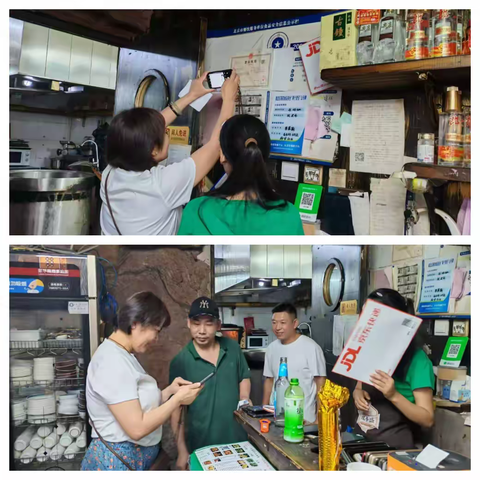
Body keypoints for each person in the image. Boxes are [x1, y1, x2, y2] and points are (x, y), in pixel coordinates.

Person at [100, 70, 239, 235]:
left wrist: (190, 96)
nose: (166, 130)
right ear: (153, 150)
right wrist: (229, 99)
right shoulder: (161, 185)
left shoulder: (110, 174)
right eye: (164, 132)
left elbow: (145, 130)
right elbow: (215, 146)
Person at [81, 292, 202, 471]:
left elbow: (135, 404)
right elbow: (137, 428)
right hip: (115, 465)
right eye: (156, 331)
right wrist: (178, 400)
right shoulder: (111, 361)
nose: (156, 339)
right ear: (136, 324)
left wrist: (169, 392)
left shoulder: (123, 354)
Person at [177, 114, 304, 235]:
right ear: (263, 156)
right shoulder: (289, 215)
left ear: (222, 156)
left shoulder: (197, 210)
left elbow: (180, 257)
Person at [169, 297, 251, 470]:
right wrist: (182, 451)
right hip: (201, 447)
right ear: (188, 323)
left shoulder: (233, 348)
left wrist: (244, 398)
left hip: (238, 443)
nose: (202, 330)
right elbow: (176, 410)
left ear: (218, 325)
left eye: (209, 323)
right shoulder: (180, 361)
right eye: (196, 323)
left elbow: (244, 376)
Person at [352, 288, 435, 449]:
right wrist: (357, 393)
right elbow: (359, 386)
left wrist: (393, 395)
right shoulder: (368, 349)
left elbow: (428, 419)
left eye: (372, 316)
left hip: (395, 450)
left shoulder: (418, 361)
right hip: (362, 442)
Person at [262, 303, 327, 424]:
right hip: (275, 418)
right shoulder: (271, 348)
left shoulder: (311, 347)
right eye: (274, 322)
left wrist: (319, 419)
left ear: (295, 323)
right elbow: (269, 380)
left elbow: (321, 383)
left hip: (303, 420)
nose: (277, 327)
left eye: (283, 322)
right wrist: (263, 411)